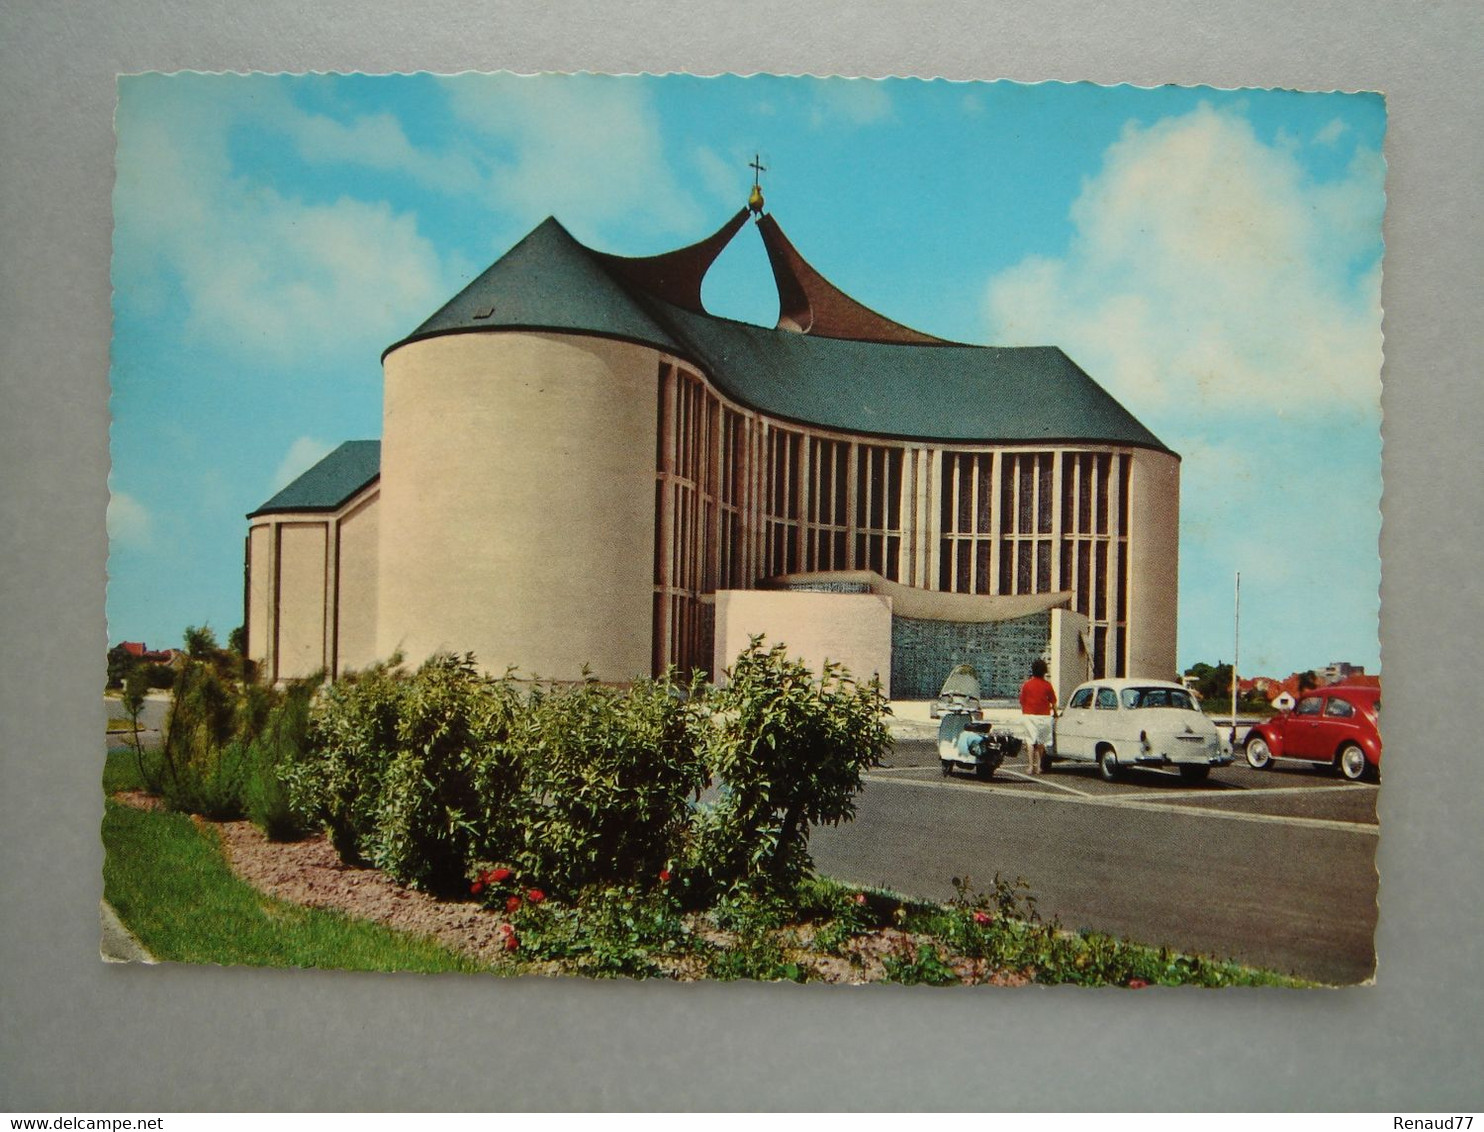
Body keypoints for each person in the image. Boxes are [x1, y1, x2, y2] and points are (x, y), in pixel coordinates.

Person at [1018, 658, 1058, 774]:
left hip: (1029, 715)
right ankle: (1039, 766)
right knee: (1041, 742)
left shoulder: (1027, 685)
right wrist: (1055, 714)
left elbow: (1022, 701)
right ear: (1044, 671)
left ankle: (1030, 766)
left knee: (1030, 741)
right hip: (1044, 716)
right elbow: (1053, 702)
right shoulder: (1047, 685)